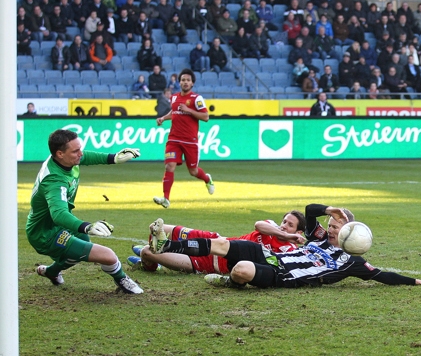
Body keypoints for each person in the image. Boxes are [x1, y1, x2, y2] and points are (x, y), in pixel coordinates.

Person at [149, 204, 421, 289]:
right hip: (270, 255)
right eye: (332, 223)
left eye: (338, 225)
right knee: (221, 243)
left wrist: (419, 282)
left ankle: (229, 283)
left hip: (282, 277)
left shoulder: (351, 263)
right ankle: (169, 243)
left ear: (351, 234)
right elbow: (310, 210)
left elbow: (382, 275)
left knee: (240, 271)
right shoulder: (316, 236)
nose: (331, 226)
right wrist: (332, 209)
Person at [26, 129, 142, 294]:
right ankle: (122, 279)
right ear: (60, 153)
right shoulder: (54, 180)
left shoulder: (65, 160)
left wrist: (114, 158)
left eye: (79, 148)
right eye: (75, 151)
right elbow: (58, 214)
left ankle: (51, 271)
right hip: (45, 234)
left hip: (57, 225)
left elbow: (86, 156)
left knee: (82, 243)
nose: (80, 154)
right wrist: (86, 226)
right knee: (108, 256)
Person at [128, 211, 305, 273]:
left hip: (207, 263)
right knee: (155, 227)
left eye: (290, 225)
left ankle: (150, 263)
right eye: (284, 221)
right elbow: (258, 225)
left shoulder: (289, 251)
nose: (284, 226)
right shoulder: (271, 227)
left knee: (147, 251)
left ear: (299, 232)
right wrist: (286, 234)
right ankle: (154, 260)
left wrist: (290, 240)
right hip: (213, 239)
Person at [154, 69, 215, 209]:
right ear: (179, 82)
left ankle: (207, 179)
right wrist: (163, 118)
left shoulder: (196, 99)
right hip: (174, 139)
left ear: (192, 83)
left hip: (190, 141)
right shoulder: (174, 97)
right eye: (183, 80)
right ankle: (166, 198)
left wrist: (189, 110)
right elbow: (174, 112)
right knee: (169, 166)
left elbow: (205, 117)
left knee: (193, 171)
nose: (185, 82)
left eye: (188, 80)